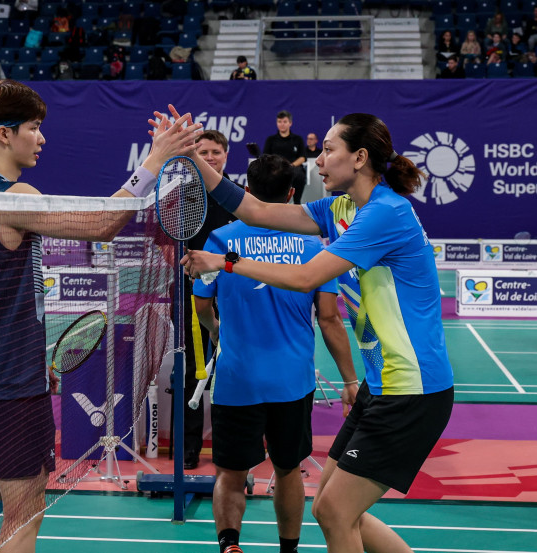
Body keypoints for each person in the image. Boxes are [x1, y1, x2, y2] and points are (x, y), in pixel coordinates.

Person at [170, 105, 454, 553]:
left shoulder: (385, 214)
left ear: (359, 158)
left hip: (412, 390)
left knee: (335, 511)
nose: (318, 160)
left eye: (328, 150)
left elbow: (306, 278)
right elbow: (258, 209)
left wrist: (224, 262)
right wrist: (192, 156)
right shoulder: (344, 207)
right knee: (330, 504)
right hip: (381, 386)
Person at [0, 80, 200, 553]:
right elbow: (101, 223)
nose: (41, 138)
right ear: (4, 135)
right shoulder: (13, 195)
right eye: (34, 127)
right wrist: (153, 161)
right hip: (11, 386)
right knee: (24, 514)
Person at [194, 154, 357, 553]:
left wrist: (219, 334)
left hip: (237, 379)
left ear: (246, 191)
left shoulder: (220, 241)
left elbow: (201, 307)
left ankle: (230, 546)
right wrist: (350, 380)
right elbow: (330, 319)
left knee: (230, 473)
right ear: (291, 193)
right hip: (292, 381)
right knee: (288, 471)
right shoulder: (313, 245)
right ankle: (289, 550)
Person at [183, 130, 236, 470]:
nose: (210, 157)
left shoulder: (239, 198)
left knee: (233, 372)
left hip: (232, 297)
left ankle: (230, 450)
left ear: (226, 156)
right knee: (193, 372)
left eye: (216, 151)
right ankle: (188, 451)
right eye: (203, 152)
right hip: (193, 297)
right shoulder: (184, 197)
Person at [263, 110, 307, 204]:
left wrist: (291, 165)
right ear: (276, 123)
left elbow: (302, 157)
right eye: (279, 122)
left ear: (290, 123)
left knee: (299, 175)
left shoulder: (297, 139)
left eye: (284, 122)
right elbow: (266, 156)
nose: (282, 124)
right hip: (275, 168)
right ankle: (275, 203)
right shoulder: (271, 140)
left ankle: (297, 202)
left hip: (293, 168)